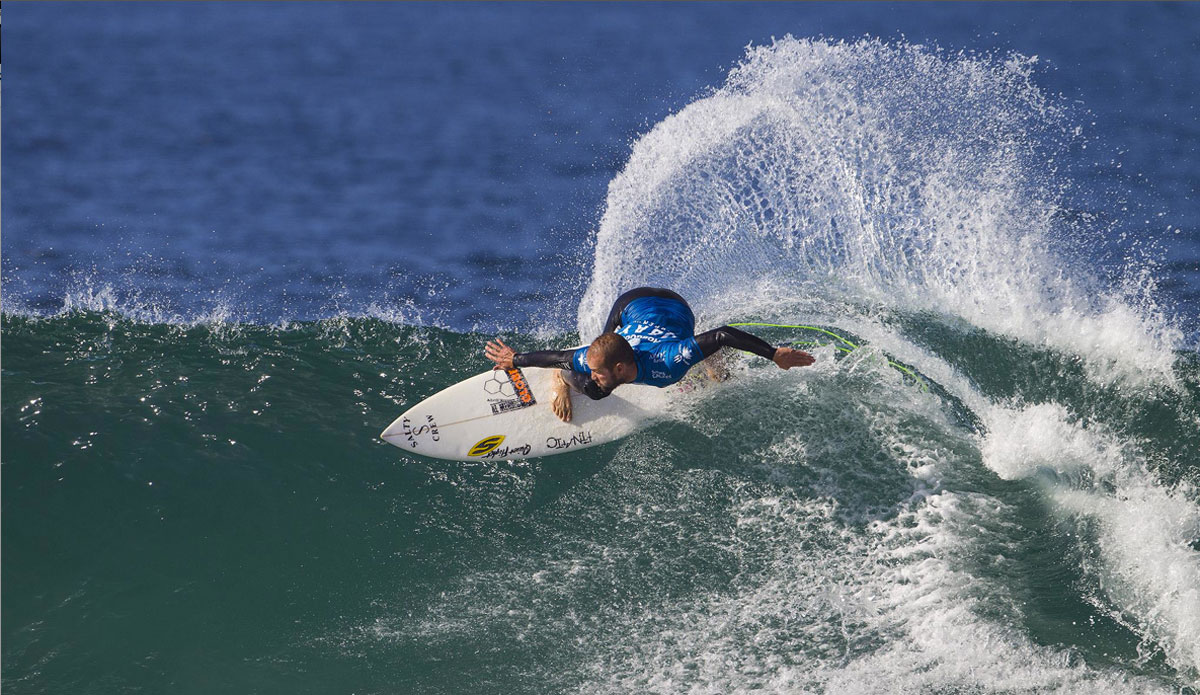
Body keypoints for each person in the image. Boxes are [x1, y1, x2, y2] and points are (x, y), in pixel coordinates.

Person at [484, 287, 815, 422]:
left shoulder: (668, 360)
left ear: (620, 367)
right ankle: (562, 382)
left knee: (716, 367)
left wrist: (774, 354)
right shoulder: (595, 360)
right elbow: (557, 355)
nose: (593, 374)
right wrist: (515, 359)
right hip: (632, 304)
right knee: (593, 390)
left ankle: (711, 361)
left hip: (674, 304)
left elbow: (722, 334)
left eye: (600, 371)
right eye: (592, 369)